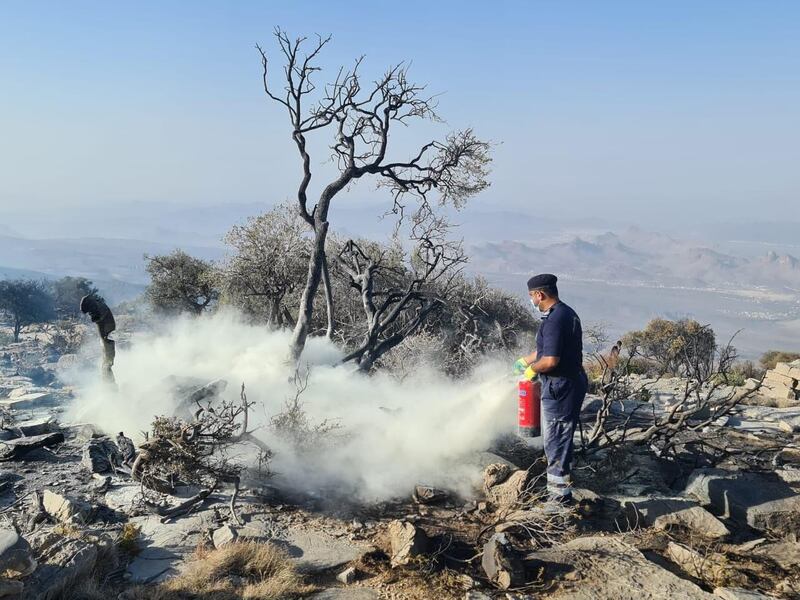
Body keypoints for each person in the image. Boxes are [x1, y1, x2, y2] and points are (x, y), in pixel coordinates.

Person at [513, 273, 587, 506]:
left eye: (531, 297)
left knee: (556, 439)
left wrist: (532, 370)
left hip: (560, 386)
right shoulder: (564, 313)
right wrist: (525, 361)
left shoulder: (555, 320)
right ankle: (562, 488)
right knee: (559, 437)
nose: (531, 301)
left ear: (540, 294)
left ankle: (558, 501)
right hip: (567, 382)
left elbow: (551, 360)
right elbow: (546, 349)